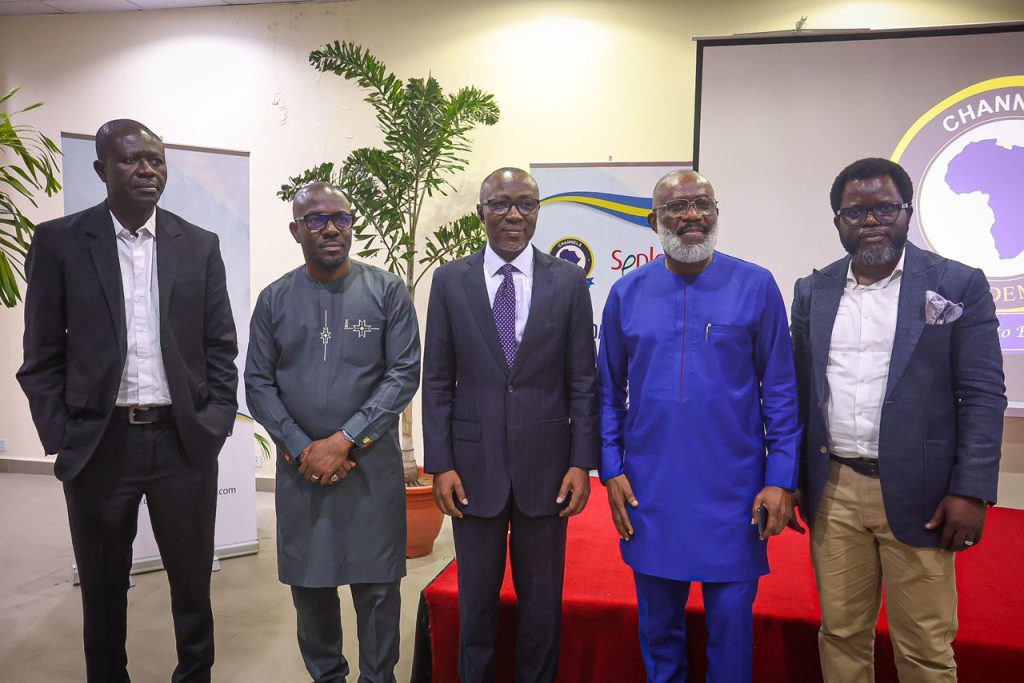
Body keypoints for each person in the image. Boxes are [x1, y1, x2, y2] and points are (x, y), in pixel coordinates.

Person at [17, 119, 238, 682]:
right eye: (132, 159)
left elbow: (220, 346)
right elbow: (41, 355)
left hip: (183, 443)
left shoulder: (199, 244)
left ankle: (195, 675)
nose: (147, 170)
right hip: (100, 444)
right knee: (103, 587)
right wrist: (63, 436)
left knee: (192, 584)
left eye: (157, 160)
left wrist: (212, 424)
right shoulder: (61, 242)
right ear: (101, 170)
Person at [791, 157, 1006, 682]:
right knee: (841, 635)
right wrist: (791, 478)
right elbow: (798, 394)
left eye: (885, 207)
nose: (871, 220)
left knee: (925, 648)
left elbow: (982, 393)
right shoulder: (812, 291)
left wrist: (972, 488)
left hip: (924, 494)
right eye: (855, 211)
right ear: (837, 220)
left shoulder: (957, 284)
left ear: (907, 212)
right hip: (834, 488)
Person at [598, 169, 800, 683]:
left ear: (715, 214)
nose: (692, 216)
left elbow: (780, 391)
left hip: (735, 493)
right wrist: (611, 468)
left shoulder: (756, 286)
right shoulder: (626, 293)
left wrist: (780, 478)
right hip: (651, 489)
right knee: (659, 632)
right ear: (653, 221)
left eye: (703, 205)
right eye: (677, 207)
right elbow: (606, 392)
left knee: (731, 629)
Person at [422, 167, 599, 682]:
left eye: (525, 203)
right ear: (481, 213)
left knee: (541, 610)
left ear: (539, 211)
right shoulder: (451, 280)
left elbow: (582, 379)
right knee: (475, 608)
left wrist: (580, 462)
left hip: (548, 471)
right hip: (471, 470)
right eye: (500, 204)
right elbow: (437, 379)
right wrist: (441, 464)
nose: (513, 215)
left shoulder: (567, 281)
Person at [245, 181, 420, 683]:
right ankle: (328, 677)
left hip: (369, 468)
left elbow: (404, 373)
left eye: (340, 218)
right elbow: (257, 381)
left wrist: (344, 440)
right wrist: (304, 448)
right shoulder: (275, 299)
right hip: (302, 473)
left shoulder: (387, 291)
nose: (330, 228)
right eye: (316, 219)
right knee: (311, 585)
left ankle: (377, 678)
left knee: (378, 586)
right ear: (296, 230)